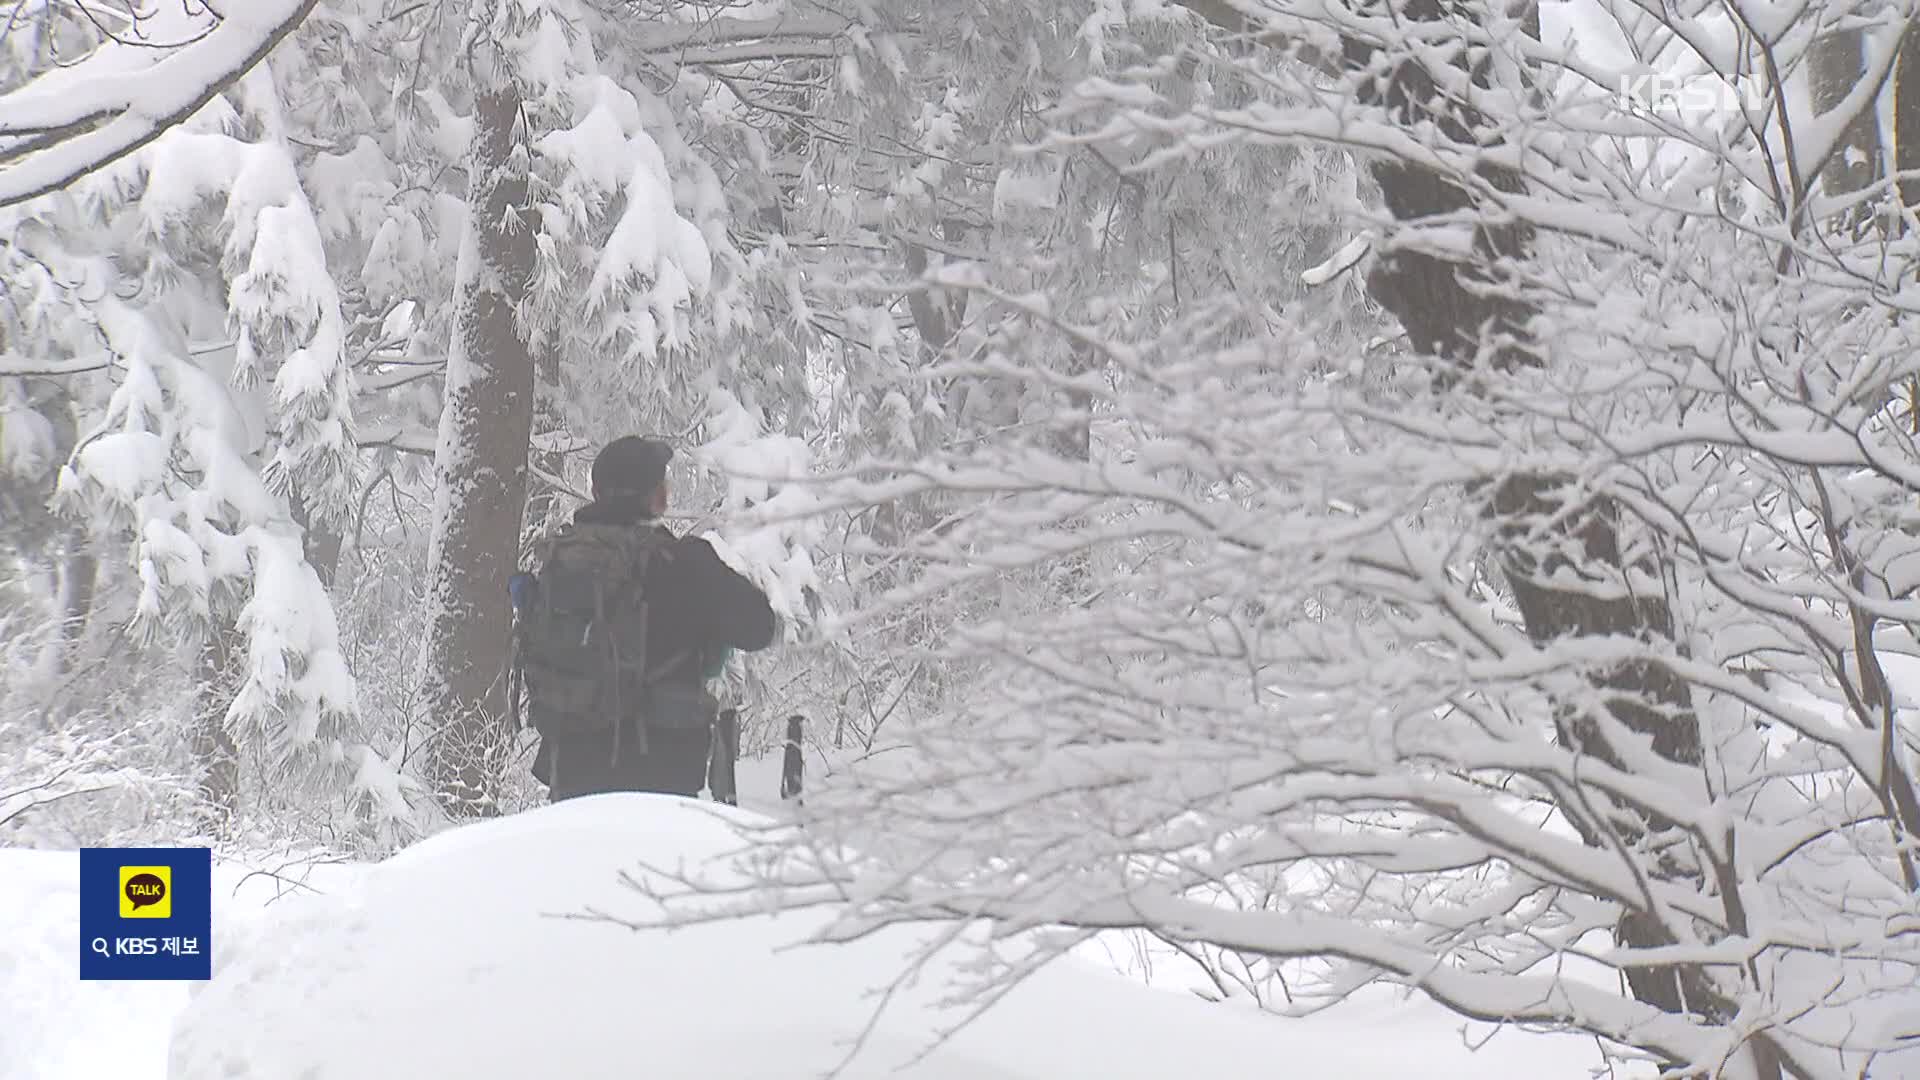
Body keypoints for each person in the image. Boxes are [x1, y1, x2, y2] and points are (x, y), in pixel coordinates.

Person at [522, 435, 775, 801]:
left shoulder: (559, 562)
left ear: (595, 491)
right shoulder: (686, 563)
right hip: (664, 773)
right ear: (657, 498)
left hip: (572, 775)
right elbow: (759, 628)